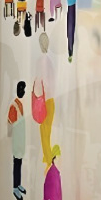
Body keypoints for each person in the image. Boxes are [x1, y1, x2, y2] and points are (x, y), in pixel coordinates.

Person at [32, 31, 56, 166]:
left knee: (44, 130)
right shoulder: (50, 60)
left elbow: (42, 80)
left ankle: (47, 158)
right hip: (51, 100)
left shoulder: (41, 61)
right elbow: (52, 80)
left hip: (45, 101)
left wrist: (38, 91)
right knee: (47, 130)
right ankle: (47, 156)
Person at [7, 82, 27, 200]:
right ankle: (15, 187)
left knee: (20, 162)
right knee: (16, 162)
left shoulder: (20, 105)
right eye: (21, 89)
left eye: (23, 89)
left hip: (21, 140)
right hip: (16, 140)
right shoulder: (13, 106)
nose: (23, 92)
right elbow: (10, 123)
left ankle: (18, 183)